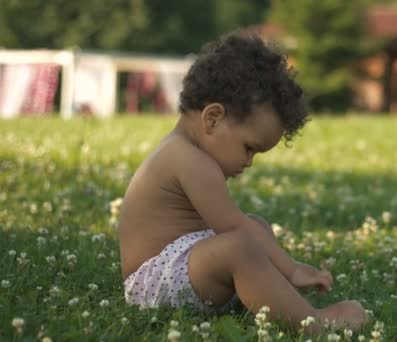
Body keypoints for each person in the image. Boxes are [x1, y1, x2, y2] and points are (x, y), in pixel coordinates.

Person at [118, 32, 367, 335]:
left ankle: (273, 297)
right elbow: (233, 229)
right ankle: (311, 322)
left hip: (182, 265)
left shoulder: (186, 150)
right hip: (156, 286)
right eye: (249, 148)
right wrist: (292, 269)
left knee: (255, 225)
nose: (249, 162)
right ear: (213, 118)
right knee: (240, 244)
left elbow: (239, 227)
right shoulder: (189, 159)